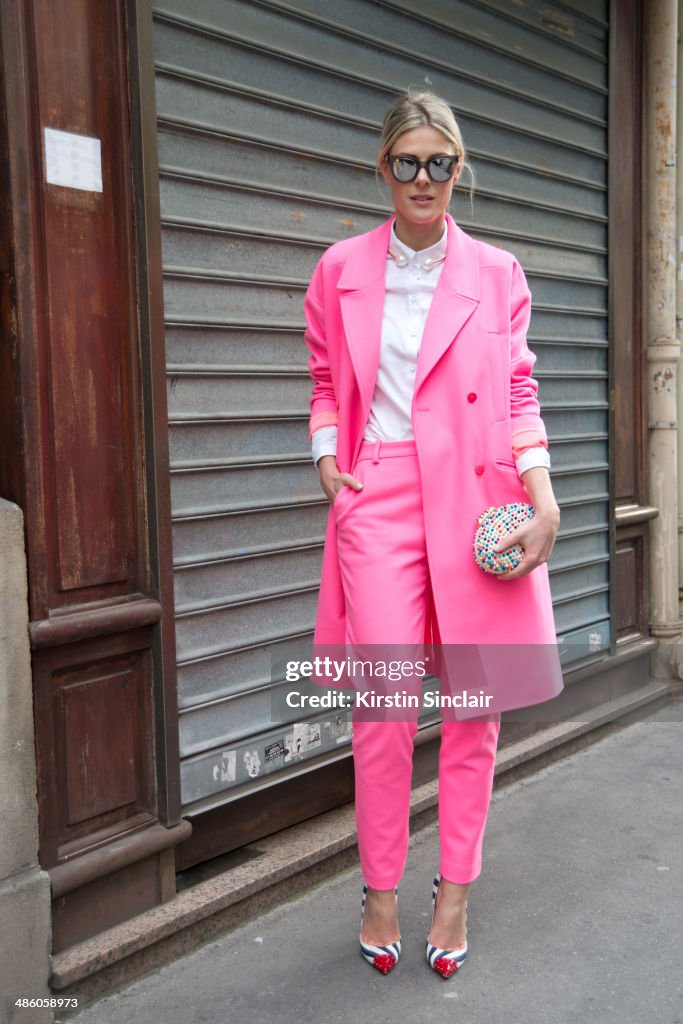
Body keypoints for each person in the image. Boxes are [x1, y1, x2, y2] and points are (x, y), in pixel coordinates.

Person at [303, 90, 562, 978]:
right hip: (377, 497)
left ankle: (454, 891)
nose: (424, 178)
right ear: (383, 169)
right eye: (407, 162)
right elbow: (324, 378)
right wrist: (327, 457)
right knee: (382, 705)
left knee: (472, 710)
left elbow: (519, 391)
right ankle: (380, 887)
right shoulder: (338, 267)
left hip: (475, 498)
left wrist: (543, 495)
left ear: (458, 171)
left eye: (439, 163)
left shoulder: (498, 272)